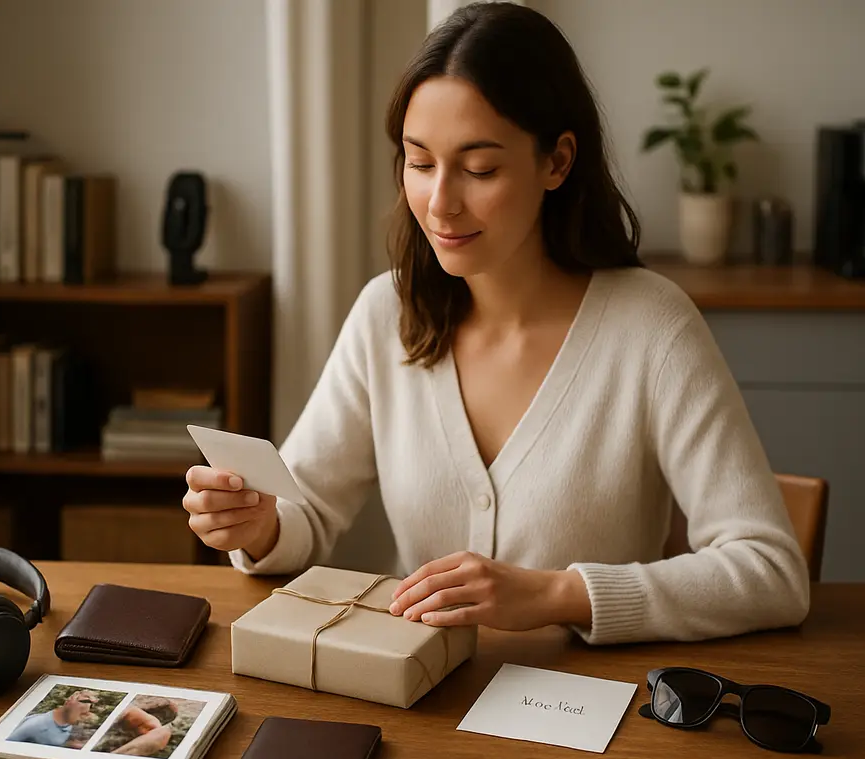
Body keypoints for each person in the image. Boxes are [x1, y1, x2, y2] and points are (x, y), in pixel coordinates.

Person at [182, 2, 809, 645]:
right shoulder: (387, 314)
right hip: (424, 702)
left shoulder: (652, 328)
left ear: (557, 162)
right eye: (420, 163)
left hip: (593, 714)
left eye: (479, 169)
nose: (441, 202)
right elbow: (304, 510)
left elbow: (770, 572)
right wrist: (257, 526)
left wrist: (557, 594)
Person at [7, 690, 94, 747]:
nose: (84, 718)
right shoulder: (36, 724)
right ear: (70, 703)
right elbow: (5, 744)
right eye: (82, 713)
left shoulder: (68, 726)